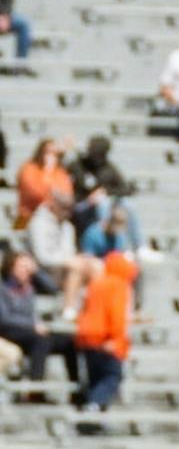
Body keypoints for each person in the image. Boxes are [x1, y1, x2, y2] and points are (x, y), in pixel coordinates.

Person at [0, 246, 81, 397]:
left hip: (32, 330)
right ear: (10, 267)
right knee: (41, 340)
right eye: (21, 266)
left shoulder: (29, 287)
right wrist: (32, 325)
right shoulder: (3, 288)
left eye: (27, 267)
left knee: (68, 342)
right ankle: (35, 390)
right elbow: (4, 318)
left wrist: (36, 270)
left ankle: (76, 391)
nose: (25, 270)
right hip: (9, 331)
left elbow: (52, 288)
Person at [72, 250, 138, 413]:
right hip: (105, 337)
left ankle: (93, 419)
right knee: (112, 376)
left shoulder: (97, 282)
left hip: (87, 336)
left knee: (95, 378)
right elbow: (116, 315)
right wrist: (116, 339)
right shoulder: (118, 285)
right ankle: (94, 405)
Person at [15, 137, 73, 229]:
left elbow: (67, 195)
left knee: (68, 228)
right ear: (40, 152)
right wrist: (48, 172)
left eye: (54, 153)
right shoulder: (29, 168)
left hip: (56, 217)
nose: (51, 156)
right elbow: (35, 193)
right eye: (48, 152)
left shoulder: (60, 172)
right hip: (30, 216)